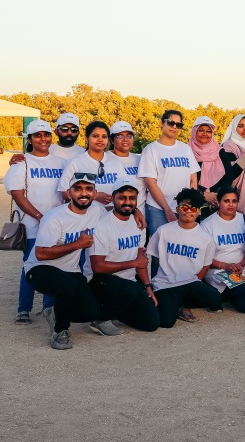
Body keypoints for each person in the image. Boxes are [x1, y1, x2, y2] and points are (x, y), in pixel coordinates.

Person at [28, 172, 108, 349]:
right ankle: (60, 331)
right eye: (78, 189)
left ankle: (56, 312)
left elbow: (114, 215)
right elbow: (40, 254)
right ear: (69, 193)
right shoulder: (55, 217)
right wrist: (77, 244)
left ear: (95, 193)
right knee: (67, 285)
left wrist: (137, 212)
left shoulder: (97, 210)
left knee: (92, 312)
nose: (83, 193)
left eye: (88, 189)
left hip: (70, 272)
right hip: (39, 269)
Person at [6, 120, 65, 324]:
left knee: (55, 265)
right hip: (33, 224)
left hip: (57, 225)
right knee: (30, 266)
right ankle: (23, 309)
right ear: (30, 139)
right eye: (37, 135)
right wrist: (41, 217)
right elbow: (17, 194)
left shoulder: (60, 163)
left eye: (46, 135)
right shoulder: (21, 162)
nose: (43, 139)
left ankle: (49, 307)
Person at [87, 177, 160, 332]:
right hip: (100, 281)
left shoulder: (139, 223)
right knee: (131, 289)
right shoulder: (102, 224)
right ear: (113, 198)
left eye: (131, 198)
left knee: (151, 323)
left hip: (127, 282)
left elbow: (140, 261)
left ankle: (117, 310)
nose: (127, 202)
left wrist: (147, 286)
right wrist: (132, 264)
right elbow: (97, 267)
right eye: (122, 198)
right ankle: (100, 319)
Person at [146, 189, 222, 327]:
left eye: (193, 208)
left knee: (215, 299)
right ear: (177, 209)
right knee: (166, 322)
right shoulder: (163, 231)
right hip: (165, 284)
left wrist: (194, 283)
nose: (188, 211)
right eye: (184, 207)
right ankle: (172, 303)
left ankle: (183, 303)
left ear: (198, 211)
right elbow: (155, 258)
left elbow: (206, 265)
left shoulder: (206, 237)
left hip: (190, 282)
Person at [139, 110, 199, 237]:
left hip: (183, 209)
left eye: (179, 125)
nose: (174, 127)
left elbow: (193, 180)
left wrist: (190, 205)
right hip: (158, 209)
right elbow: (151, 184)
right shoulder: (151, 150)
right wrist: (167, 209)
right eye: (171, 123)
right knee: (160, 249)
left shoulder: (185, 149)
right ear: (162, 124)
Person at [200, 187, 245, 313]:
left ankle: (228, 295)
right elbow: (202, 258)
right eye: (226, 201)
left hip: (243, 269)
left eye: (234, 201)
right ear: (218, 202)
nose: (231, 205)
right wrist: (226, 266)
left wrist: (241, 264)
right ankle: (217, 294)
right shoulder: (207, 225)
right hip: (218, 271)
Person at [58, 121, 123, 211]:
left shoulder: (115, 162)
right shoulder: (75, 162)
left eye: (104, 136)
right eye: (95, 136)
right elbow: (64, 193)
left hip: (112, 215)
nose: (100, 139)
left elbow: (125, 189)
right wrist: (94, 196)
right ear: (87, 139)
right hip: (86, 217)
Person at [108, 121, 147, 215]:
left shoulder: (141, 159)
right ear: (112, 140)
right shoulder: (104, 159)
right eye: (120, 136)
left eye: (129, 136)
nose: (125, 139)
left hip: (139, 217)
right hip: (112, 216)